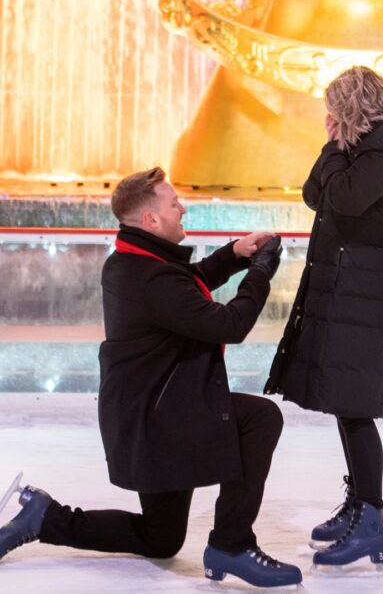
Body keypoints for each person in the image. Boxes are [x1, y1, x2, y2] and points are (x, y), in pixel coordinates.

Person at [0, 167, 302, 589]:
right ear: (151, 221)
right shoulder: (150, 277)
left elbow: (186, 287)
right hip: (160, 420)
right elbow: (228, 325)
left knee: (161, 538)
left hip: (150, 414)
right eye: (173, 202)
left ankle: (44, 517)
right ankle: (231, 544)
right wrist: (259, 273)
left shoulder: (133, 262)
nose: (183, 207)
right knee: (260, 418)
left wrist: (234, 254)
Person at [264, 66, 383, 569]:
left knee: (356, 406)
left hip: (365, 291)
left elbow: (341, 197)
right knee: (345, 400)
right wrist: (336, 146)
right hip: (349, 288)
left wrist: (336, 145)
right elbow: (313, 195)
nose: (330, 121)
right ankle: (359, 503)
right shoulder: (366, 149)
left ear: (349, 107)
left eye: (335, 112)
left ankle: (373, 520)